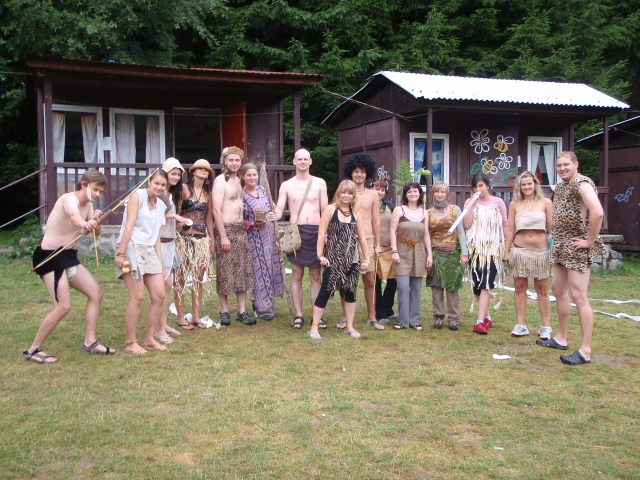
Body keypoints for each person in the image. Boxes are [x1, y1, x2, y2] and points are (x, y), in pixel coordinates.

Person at [25, 169, 114, 363]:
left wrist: (96, 220)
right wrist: (84, 223)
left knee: (96, 294)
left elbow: (97, 232)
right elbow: (74, 216)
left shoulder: (89, 205)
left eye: (100, 192)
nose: (97, 194)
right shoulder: (69, 199)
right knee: (63, 306)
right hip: (50, 256)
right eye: (95, 189)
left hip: (69, 256)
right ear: (84, 184)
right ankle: (33, 350)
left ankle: (90, 342)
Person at [537, 151, 605, 365]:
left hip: (576, 246)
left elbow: (597, 212)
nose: (562, 168)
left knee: (578, 295)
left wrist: (589, 240)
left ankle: (585, 350)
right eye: (559, 165)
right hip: (561, 245)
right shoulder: (561, 186)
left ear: (576, 164)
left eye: (566, 164)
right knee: (558, 290)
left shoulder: (582, 184)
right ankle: (561, 338)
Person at [114, 169, 169, 355]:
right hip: (131, 247)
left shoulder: (161, 205)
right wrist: (121, 253)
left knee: (159, 295)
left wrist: (159, 262)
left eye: (163, 185)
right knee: (137, 297)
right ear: (149, 182)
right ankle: (131, 342)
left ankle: (149, 338)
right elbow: (129, 225)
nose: (159, 187)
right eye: (156, 183)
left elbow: (157, 235)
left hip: (149, 250)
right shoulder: (137, 196)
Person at [307, 180, 370, 340]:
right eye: (343, 192)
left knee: (350, 292)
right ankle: (314, 327)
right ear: (338, 193)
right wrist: (320, 255)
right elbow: (321, 233)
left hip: (352, 260)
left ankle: (350, 326)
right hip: (333, 259)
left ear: (353, 196)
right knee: (325, 291)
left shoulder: (356, 213)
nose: (346, 195)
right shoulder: (330, 210)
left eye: (350, 193)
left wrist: (366, 260)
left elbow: (362, 238)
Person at [273, 148, 328, 329]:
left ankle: (317, 315)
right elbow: (280, 208)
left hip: (316, 232)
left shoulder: (319, 183)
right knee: (297, 274)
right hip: (296, 232)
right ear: (294, 161)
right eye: (300, 159)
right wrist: (275, 215)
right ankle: (298, 314)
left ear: (310, 161)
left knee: (315, 275)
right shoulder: (286, 185)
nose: (303, 162)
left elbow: (325, 210)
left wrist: (326, 233)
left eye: (306, 159)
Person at [504, 171, 553, 338]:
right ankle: (520, 325)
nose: (526, 187)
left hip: (541, 251)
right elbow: (510, 230)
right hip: (519, 250)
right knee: (519, 288)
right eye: (523, 184)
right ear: (519, 186)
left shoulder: (546, 202)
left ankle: (546, 327)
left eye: (529, 184)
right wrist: (506, 251)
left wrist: (554, 249)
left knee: (542, 289)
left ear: (535, 184)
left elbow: (552, 229)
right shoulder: (514, 204)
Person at [212, 147, 255, 326]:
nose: (235, 163)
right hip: (226, 230)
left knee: (241, 271)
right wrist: (223, 236)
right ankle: (224, 311)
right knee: (225, 271)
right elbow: (216, 210)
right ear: (225, 161)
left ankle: (242, 311)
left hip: (240, 230)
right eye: (231, 160)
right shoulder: (220, 181)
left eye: (237, 160)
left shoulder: (238, 180)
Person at [463, 173, 508, 335]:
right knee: (478, 285)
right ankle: (487, 317)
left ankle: (479, 321)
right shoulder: (469, 202)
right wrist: (471, 205)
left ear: (487, 186)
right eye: (475, 187)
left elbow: (505, 223)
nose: (478, 189)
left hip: (492, 249)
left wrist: (507, 248)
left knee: (485, 283)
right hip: (475, 249)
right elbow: (467, 224)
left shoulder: (498, 202)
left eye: (481, 185)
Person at [174, 159, 216, 330]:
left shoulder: (208, 194)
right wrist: (177, 229)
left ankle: (196, 316)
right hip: (184, 239)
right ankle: (180, 317)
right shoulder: (183, 189)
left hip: (201, 239)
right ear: (193, 172)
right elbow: (177, 213)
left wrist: (212, 242)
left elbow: (209, 219)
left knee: (199, 278)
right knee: (181, 278)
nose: (203, 171)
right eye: (200, 169)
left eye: (206, 170)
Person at [342, 153, 382, 330]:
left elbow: (376, 221)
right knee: (347, 281)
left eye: (363, 171)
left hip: (368, 239)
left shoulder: (373, 194)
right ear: (351, 173)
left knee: (370, 281)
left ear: (367, 173)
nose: (359, 174)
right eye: (356, 171)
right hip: (347, 240)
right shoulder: (344, 193)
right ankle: (345, 317)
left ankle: (372, 316)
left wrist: (378, 244)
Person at [241, 163, 284, 321]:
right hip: (255, 239)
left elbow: (274, 208)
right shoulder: (241, 195)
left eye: (254, 174)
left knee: (270, 269)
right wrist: (251, 223)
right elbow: (238, 217)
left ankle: (262, 301)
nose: (252, 177)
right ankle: (263, 308)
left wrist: (275, 215)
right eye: (249, 175)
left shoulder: (263, 190)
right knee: (260, 270)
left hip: (270, 236)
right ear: (243, 177)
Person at [155, 158, 191, 343]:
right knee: (163, 286)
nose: (176, 177)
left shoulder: (171, 194)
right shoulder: (159, 193)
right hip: (159, 243)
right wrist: (174, 215)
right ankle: (158, 329)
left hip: (169, 241)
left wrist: (179, 224)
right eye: (173, 174)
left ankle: (163, 324)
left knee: (167, 285)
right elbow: (155, 217)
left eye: (178, 174)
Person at [390, 182, 433, 331]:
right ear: (405, 194)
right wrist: (394, 251)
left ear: (420, 194)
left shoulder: (424, 212)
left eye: (415, 191)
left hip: (419, 251)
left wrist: (429, 255)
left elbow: (426, 235)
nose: (412, 194)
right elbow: (392, 231)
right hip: (402, 251)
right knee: (403, 286)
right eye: (409, 191)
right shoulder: (399, 210)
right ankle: (402, 320)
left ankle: (414, 320)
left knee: (416, 288)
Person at [426, 182, 468, 331]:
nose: (440, 194)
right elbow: (427, 234)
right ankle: (438, 316)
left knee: (452, 287)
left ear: (447, 194)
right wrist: (429, 255)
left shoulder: (455, 210)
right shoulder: (428, 212)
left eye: (442, 192)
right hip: (436, 253)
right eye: (437, 192)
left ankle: (453, 318)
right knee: (436, 287)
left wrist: (464, 253)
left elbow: (461, 232)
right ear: (433, 194)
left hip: (452, 253)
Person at [370, 175, 397, 325]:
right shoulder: (367, 206)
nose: (379, 192)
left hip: (389, 248)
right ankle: (380, 313)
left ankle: (388, 307)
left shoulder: (390, 206)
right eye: (377, 188)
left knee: (394, 280)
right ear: (371, 189)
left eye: (382, 189)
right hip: (374, 248)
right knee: (377, 281)